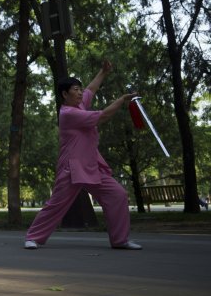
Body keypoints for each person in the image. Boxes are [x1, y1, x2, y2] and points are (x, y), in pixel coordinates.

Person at [24, 61, 141, 250]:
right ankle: (33, 237)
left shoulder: (79, 105)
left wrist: (103, 72)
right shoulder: (68, 113)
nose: (80, 93)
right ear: (65, 94)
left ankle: (120, 240)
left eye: (79, 90)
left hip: (92, 165)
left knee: (118, 194)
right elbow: (102, 117)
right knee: (56, 205)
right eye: (76, 90)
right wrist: (121, 100)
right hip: (71, 168)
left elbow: (91, 89)